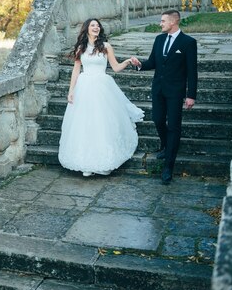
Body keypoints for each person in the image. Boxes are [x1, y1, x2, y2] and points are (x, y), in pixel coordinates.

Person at [58, 18, 144, 177]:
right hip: (84, 87)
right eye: (93, 25)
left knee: (101, 123)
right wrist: (71, 90)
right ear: (87, 29)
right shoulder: (80, 48)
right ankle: (86, 162)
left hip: (102, 87)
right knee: (85, 124)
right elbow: (76, 71)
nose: (96, 27)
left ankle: (104, 161)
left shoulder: (106, 47)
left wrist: (127, 61)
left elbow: (116, 67)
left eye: (98, 26)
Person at [131, 10, 198, 185]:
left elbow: (192, 71)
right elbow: (152, 62)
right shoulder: (159, 39)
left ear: (173, 22)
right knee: (157, 119)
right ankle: (166, 145)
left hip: (176, 92)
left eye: (163, 21)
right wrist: (140, 65)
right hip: (158, 89)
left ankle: (168, 167)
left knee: (174, 127)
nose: (160, 24)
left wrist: (191, 95)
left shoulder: (188, 43)